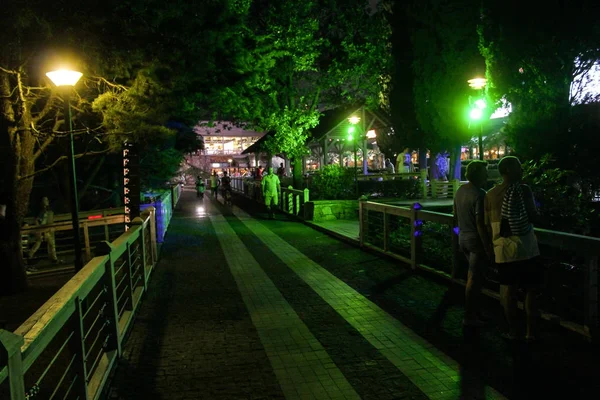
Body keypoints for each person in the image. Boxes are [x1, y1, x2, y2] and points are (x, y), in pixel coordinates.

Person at [485, 156, 542, 342]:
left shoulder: (490, 195)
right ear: (509, 170)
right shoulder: (523, 190)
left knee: (508, 292)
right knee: (531, 290)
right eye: (519, 166)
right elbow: (533, 216)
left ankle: (513, 331)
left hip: (502, 250)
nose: (522, 169)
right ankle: (530, 332)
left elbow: (487, 224)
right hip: (527, 248)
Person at [453, 160, 492, 327]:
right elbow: (481, 224)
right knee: (474, 278)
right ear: (477, 174)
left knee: (473, 276)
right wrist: (488, 247)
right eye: (484, 172)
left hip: (463, 237)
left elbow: (455, 216)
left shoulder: (460, 191)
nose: (487, 175)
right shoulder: (480, 194)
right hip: (476, 239)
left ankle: (475, 311)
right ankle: (469, 316)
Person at [27, 197, 60, 267]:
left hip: (46, 229)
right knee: (46, 243)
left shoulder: (47, 211)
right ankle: (53, 258)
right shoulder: (42, 211)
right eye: (45, 200)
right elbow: (38, 221)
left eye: (47, 200)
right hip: (43, 230)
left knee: (47, 243)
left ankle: (30, 255)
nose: (47, 201)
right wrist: (40, 230)